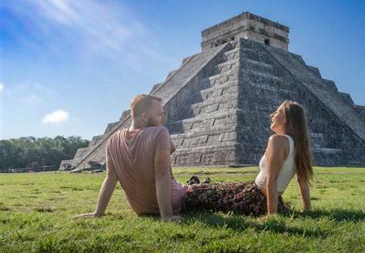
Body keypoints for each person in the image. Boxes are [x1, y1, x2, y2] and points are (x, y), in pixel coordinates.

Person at [183, 101, 314, 216]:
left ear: (287, 118)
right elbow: (303, 181)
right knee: (217, 187)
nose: (272, 115)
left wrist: (271, 216)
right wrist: (308, 208)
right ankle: (199, 185)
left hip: (254, 199)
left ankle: (194, 186)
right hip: (263, 196)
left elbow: (271, 179)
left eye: (277, 112)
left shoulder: (277, 140)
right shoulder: (299, 146)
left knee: (192, 194)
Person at [74, 94, 184, 222]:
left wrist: (98, 212)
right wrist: (166, 216)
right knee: (206, 190)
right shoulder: (160, 132)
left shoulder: (113, 140)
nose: (163, 119)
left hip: (140, 208)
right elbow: (162, 175)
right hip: (175, 202)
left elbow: (110, 179)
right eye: (160, 114)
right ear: (145, 116)